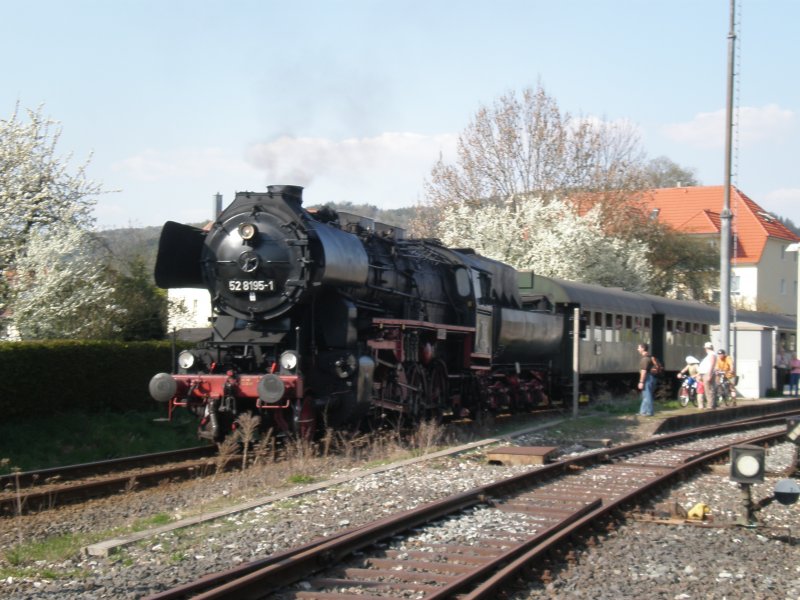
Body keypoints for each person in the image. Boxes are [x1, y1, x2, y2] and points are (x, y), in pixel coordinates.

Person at [636, 342, 656, 416]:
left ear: (643, 348)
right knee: (645, 396)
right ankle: (642, 411)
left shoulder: (645, 359)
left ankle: (650, 412)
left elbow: (643, 371)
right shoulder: (649, 357)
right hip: (651, 377)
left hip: (647, 378)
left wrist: (641, 382)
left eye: (639, 347)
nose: (637, 349)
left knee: (647, 396)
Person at [696, 342, 717, 409]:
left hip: (707, 373)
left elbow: (712, 364)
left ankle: (710, 405)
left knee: (709, 389)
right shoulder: (710, 355)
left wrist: (709, 374)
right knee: (707, 389)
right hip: (705, 373)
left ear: (706, 348)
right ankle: (710, 404)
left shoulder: (712, 354)